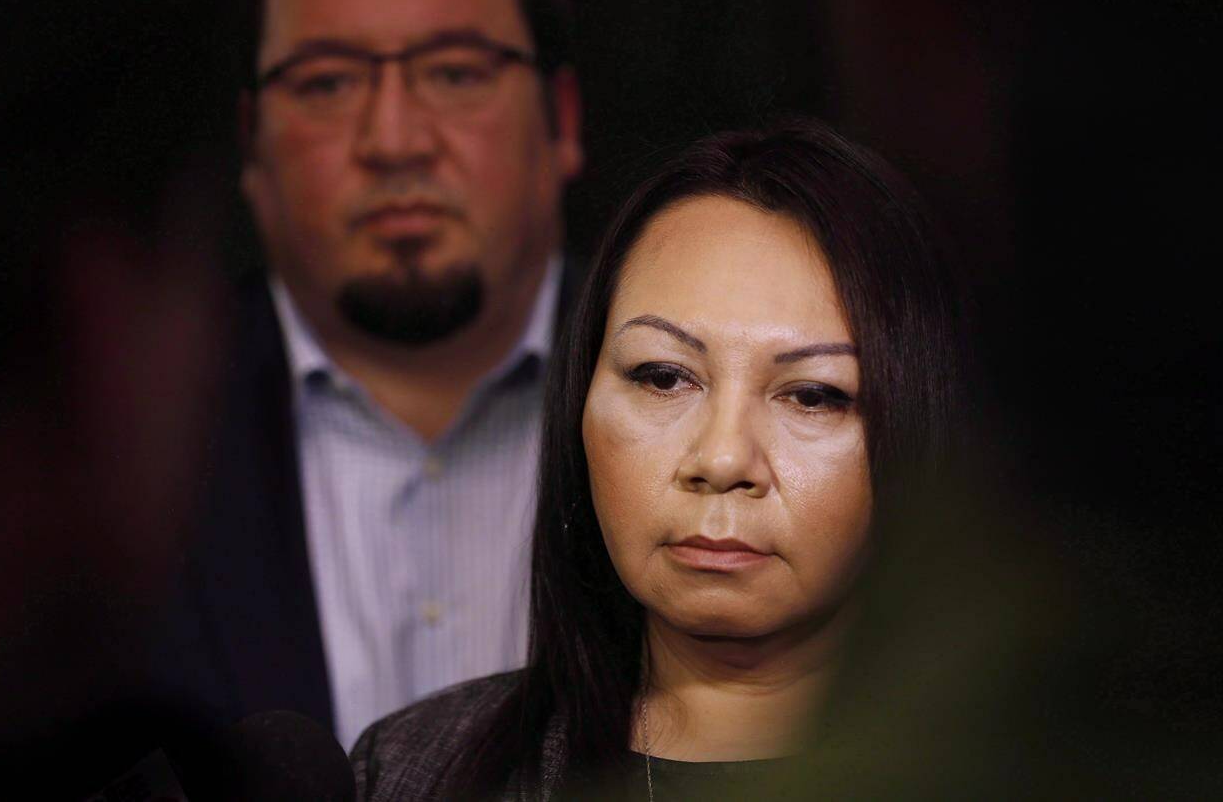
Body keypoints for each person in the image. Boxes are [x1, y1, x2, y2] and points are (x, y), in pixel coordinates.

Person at [349, 118, 962, 799]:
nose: (723, 458)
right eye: (664, 377)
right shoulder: (415, 771)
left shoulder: (1050, 763)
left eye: (812, 395)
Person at [155, 0, 584, 749]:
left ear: (561, 120)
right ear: (251, 145)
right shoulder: (119, 432)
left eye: (456, 73)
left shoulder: (730, 398)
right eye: (327, 82)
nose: (393, 141)